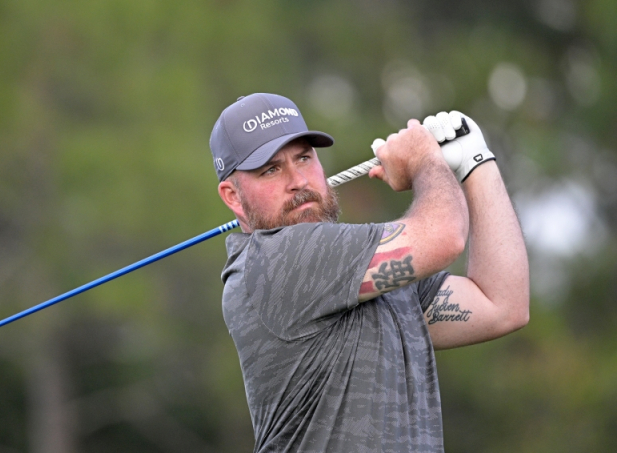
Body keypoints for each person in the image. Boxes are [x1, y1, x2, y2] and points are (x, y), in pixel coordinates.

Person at [209, 93, 529, 452]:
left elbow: (503, 305)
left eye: (303, 158)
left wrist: (477, 165)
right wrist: (425, 161)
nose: (298, 180)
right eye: (270, 169)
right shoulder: (273, 260)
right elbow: (444, 237)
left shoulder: (363, 274)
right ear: (233, 197)